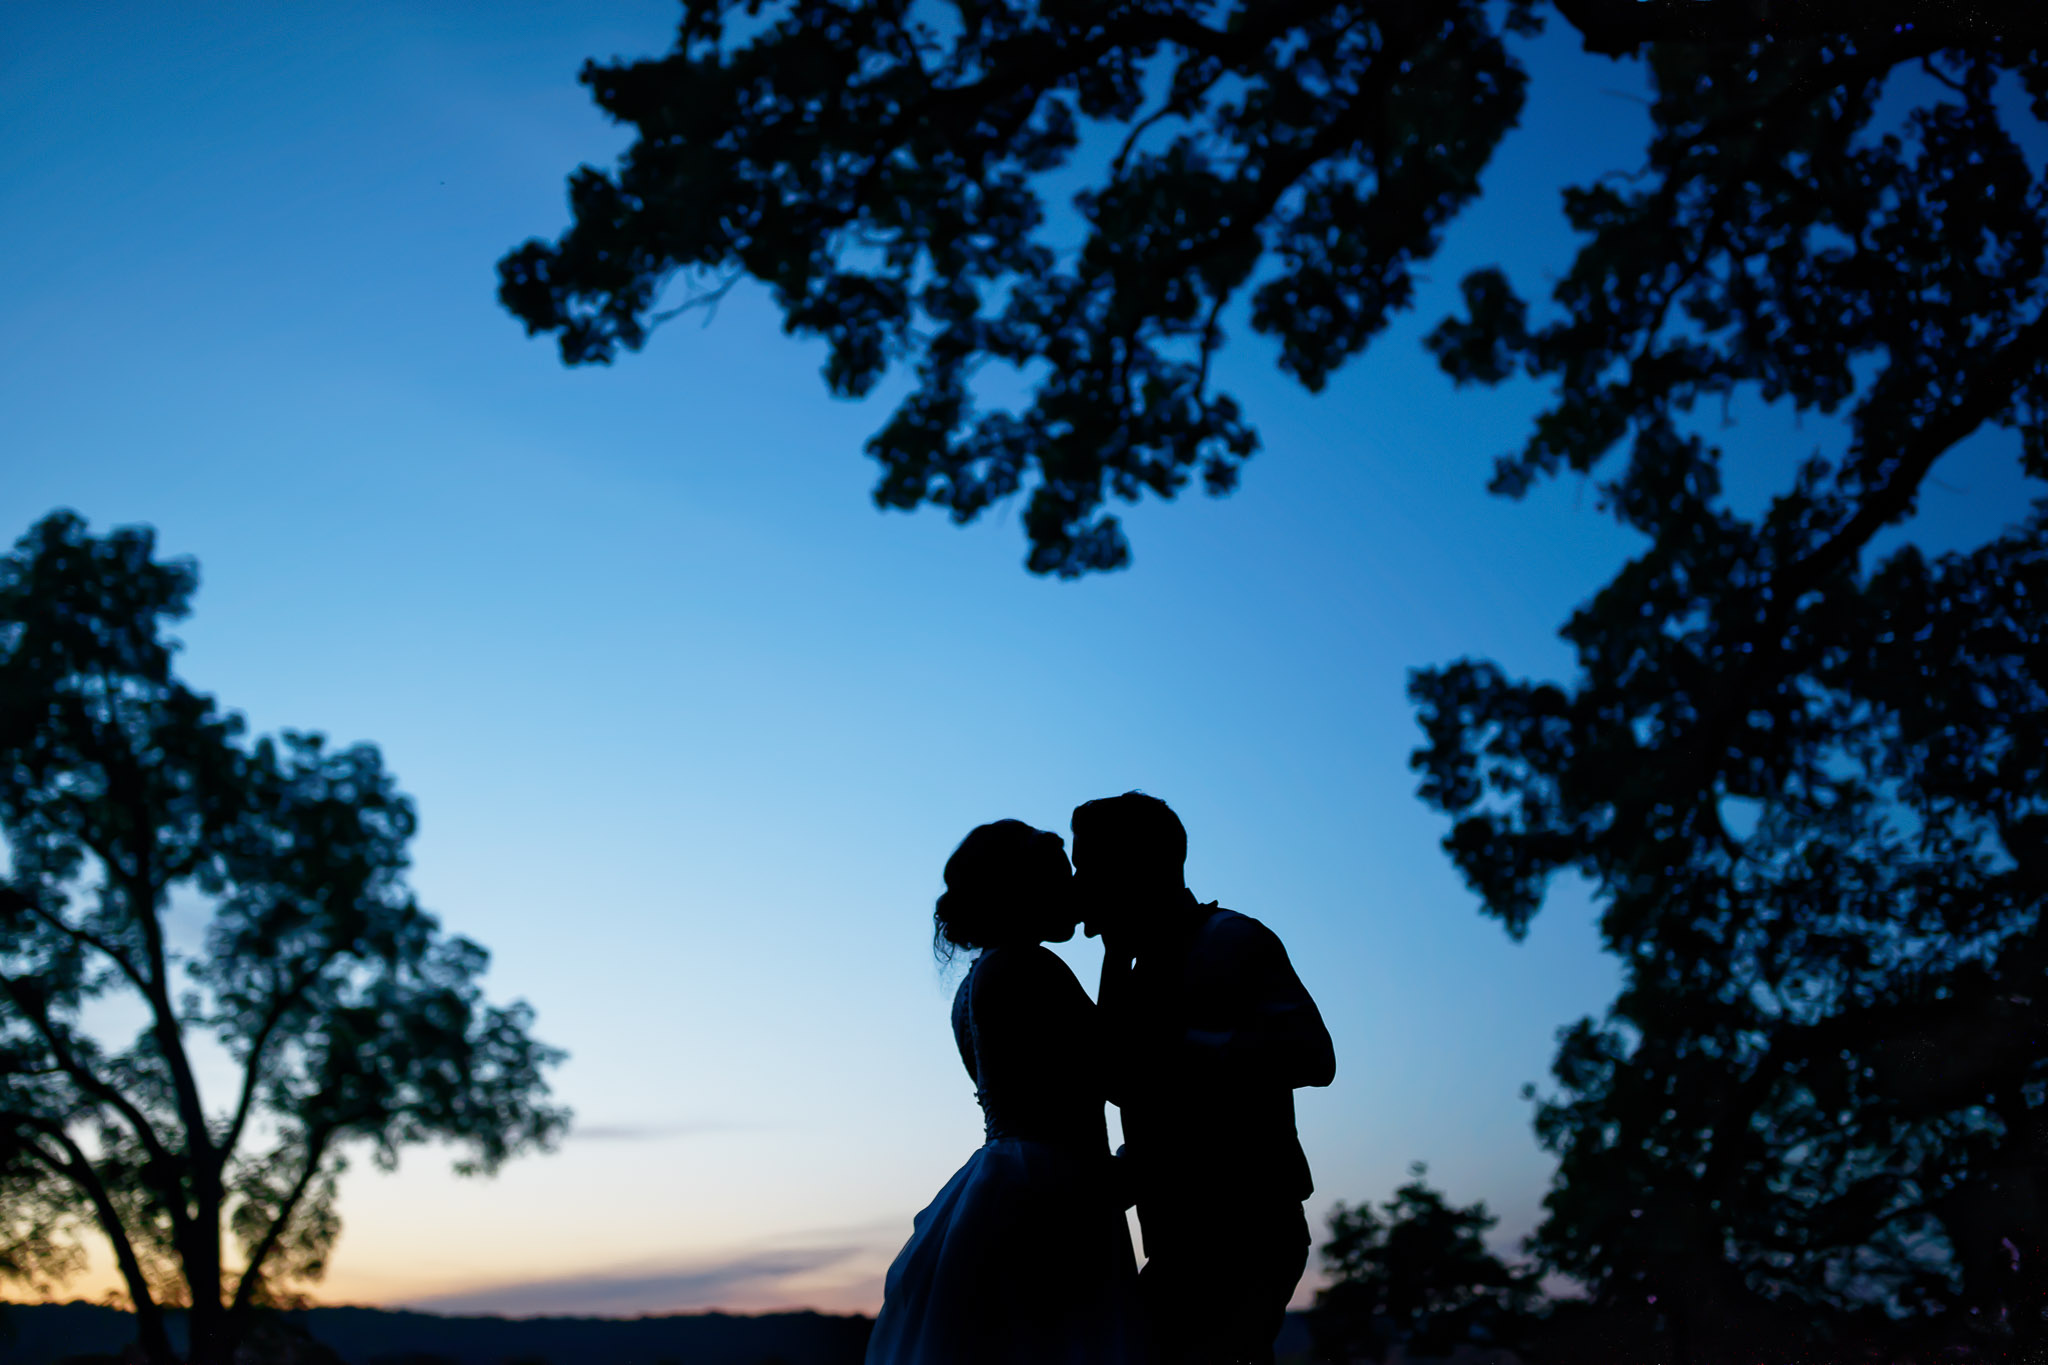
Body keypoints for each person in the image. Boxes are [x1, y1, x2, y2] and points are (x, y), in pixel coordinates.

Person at [867, 819, 1149, 1365]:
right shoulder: (1029, 966)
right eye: (1062, 876)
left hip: (1012, 1181)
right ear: (1024, 890)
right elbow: (1116, 1072)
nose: (1075, 889)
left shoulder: (977, 981)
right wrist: (1118, 954)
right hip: (1055, 1189)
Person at [1073, 792, 1335, 1365]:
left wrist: (1186, 1043)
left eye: (1087, 867)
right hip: (1179, 1240)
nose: (1078, 887)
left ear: (1133, 869)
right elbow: (1123, 1082)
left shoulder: (1234, 939)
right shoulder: (1132, 968)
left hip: (1246, 1233)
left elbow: (1315, 1057)